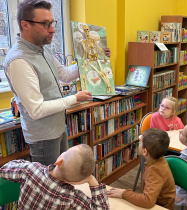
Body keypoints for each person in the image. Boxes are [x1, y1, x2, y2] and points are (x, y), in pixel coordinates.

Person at [4, 0, 109, 165]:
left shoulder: (43, 48)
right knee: (50, 184)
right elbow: (37, 110)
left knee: (61, 177)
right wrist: (75, 98)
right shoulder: (19, 61)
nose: (52, 29)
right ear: (25, 25)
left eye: (52, 23)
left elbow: (65, 75)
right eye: (45, 24)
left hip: (59, 127)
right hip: (43, 137)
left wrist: (91, 60)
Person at [0, 144, 109, 209]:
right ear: (78, 181)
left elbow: (4, 170)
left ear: (59, 161)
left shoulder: (30, 170)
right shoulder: (72, 198)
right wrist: (91, 180)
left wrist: (24, 163)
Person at [107, 128, 176, 209]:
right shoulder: (157, 159)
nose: (138, 142)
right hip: (155, 201)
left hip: (161, 207)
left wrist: (124, 193)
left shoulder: (155, 170)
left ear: (145, 152)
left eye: (140, 142)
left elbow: (147, 201)